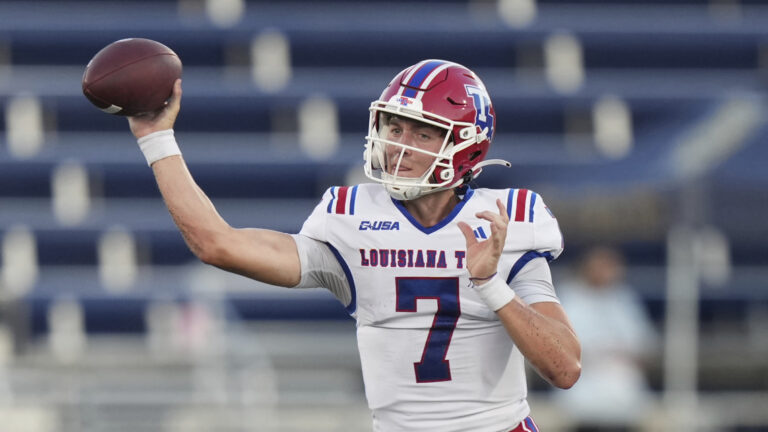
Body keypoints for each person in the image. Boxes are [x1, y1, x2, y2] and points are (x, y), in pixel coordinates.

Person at [126, 59, 581, 432]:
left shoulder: (506, 219)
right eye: (395, 128)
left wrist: (490, 282)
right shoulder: (351, 216)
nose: (399, 146)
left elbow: (565, 369)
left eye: (423, 134)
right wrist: (156, 138)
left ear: (467, 148)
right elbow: (217, 245)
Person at [553, 246, 658, 431]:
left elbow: (644, 345)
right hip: (583, 381)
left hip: (621, 382)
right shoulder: (569, 298)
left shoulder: (624, 298)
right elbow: (559, 348)